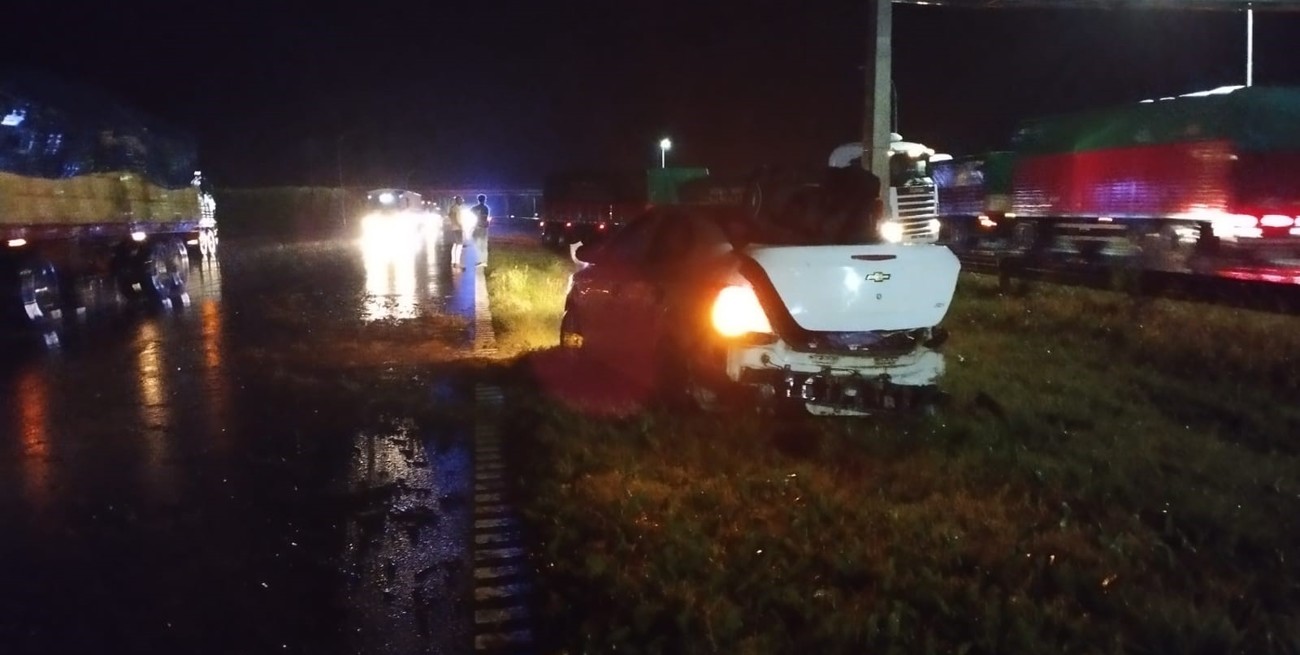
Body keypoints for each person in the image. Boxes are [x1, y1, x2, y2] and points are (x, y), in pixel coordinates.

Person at [469, 194, 490, 267]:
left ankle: (477, 260)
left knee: (476, 244)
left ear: (478, 200)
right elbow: (484, 217)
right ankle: (484, 261)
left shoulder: (473, 208)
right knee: (483, 244)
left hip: (476, 226)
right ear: (484, 200)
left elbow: (471, 214)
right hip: (483, 227)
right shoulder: (485, 208)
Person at [447, 195, 465, 269]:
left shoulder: (452, 208)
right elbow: (458, 219)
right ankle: (457, 262)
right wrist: (461, 226)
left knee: (454, 245)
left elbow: (450, 216)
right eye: (461, 200)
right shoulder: (457, 208)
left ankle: (453, 261)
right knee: (459, 245)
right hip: (457, 228)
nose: (462, 201)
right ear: (458, 201)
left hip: (452, 228)